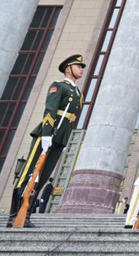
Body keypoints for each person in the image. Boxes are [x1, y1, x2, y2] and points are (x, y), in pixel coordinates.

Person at [8, 54, 85, 228]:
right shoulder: (59, 86)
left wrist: (63, 139)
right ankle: (13, 216)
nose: (81, 69)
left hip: (60, 137)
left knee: (42, 177)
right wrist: (46, 135)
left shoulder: (77, 93)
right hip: (48, 134)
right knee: (29, 173)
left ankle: (25, 215)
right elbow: (50, 110)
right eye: (78, 66)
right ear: (68, 69)